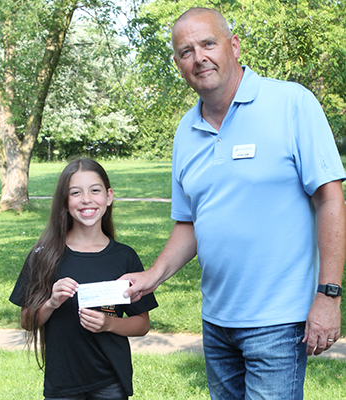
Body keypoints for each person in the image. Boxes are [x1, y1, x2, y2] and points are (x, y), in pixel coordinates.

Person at [122, 7, 345, 399]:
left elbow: (330, 198)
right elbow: (190, 223)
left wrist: (328, 295)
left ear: (234, 45)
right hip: (217, 322)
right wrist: (151, 277)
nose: (199, 57)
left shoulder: (291, 103)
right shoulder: (185, 132)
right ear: (178, 64)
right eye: (186, 51)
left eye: (208, 43)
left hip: (279, 322)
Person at [9, 158, 156, 400]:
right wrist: (51, 302)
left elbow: (142, 324)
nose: (86, 199)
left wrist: (109, 324)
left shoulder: (125, 257)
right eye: (75, 192)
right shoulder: (44, 255)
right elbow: (27, 321)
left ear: (108, 197)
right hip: (62, 384)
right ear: (65, 202)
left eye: (95, 190)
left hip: (111, 381)